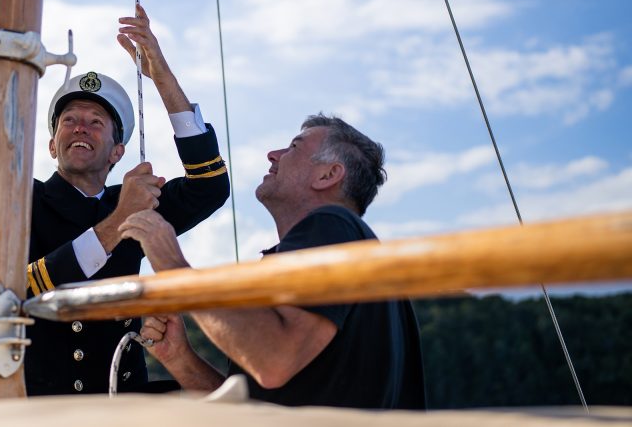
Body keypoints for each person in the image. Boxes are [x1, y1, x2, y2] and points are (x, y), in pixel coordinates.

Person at [119, 114, 426, 409]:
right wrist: (180, 358)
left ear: (328, 175)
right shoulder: (346, 246)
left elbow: (276, 360)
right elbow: (252, 411)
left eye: (293, 147)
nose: (272, 154)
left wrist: (173, 266)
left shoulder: (332, 224)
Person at [23, 5, 230, 396]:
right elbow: (28, 287)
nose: (80, 126)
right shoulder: (21, 197)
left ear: (117, 152)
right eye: (69, 120)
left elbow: (210, 185)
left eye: (96, 122)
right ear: (53, 145)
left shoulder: (133, 201)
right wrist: (121, 220)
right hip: (43, 409)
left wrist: (161, 78)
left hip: (125, 404)